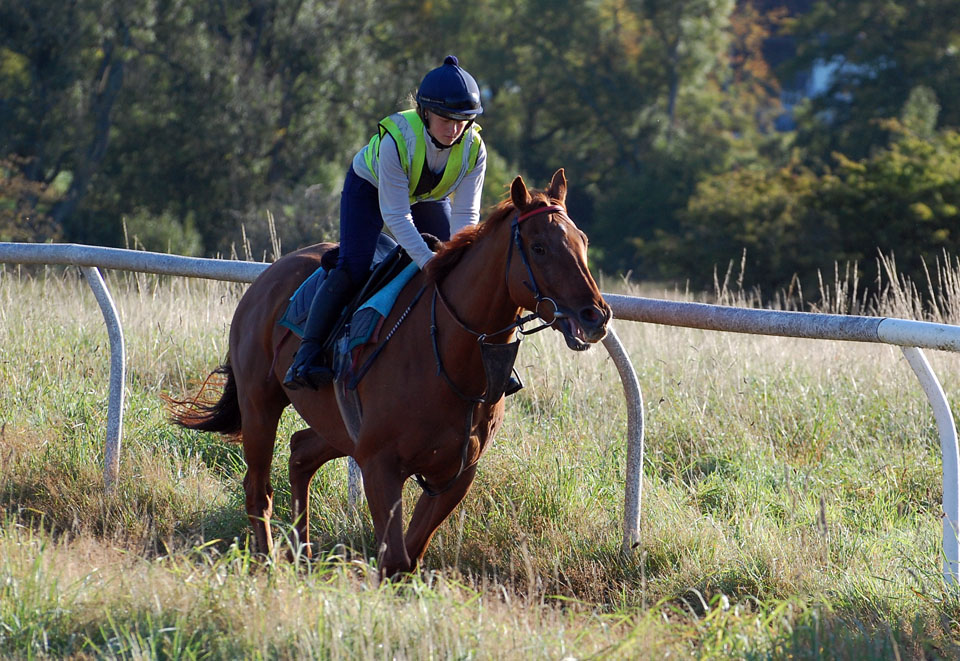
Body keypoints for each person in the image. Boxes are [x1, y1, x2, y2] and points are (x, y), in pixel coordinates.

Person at [284, 55, 486, 390]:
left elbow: (467, 217)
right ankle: (307, 353)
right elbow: (396, 216)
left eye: (463, 121)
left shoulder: (474, 148)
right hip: (370, 186)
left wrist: (456, 260)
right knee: (354, 265)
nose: (454, 129)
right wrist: (430, 263)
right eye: (446, 119)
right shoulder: (397, 138)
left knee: (457, 268)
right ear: (424, 113)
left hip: (427, 195)